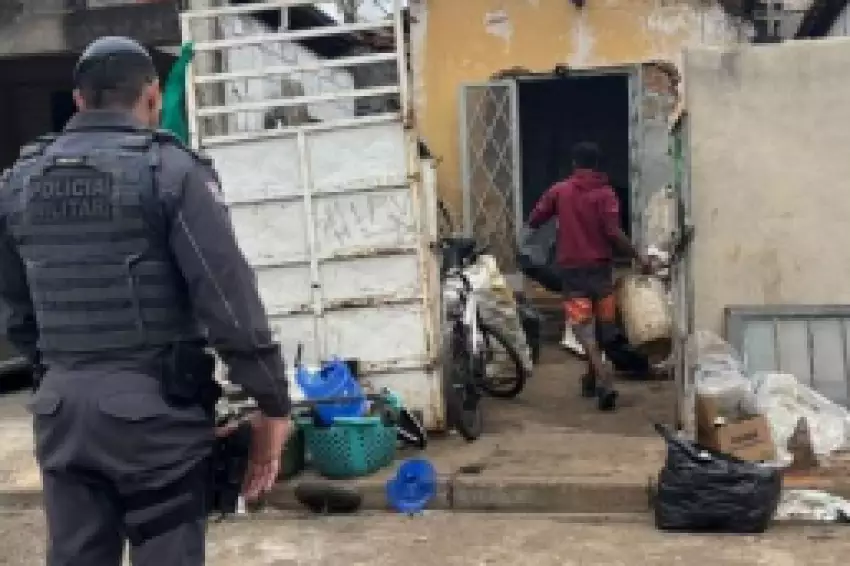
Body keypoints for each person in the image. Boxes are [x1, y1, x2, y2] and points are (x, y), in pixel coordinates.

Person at [0, 36, 292, 565]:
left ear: (79, 99)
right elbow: (227, 300)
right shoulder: (170, 171)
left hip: (61, 413)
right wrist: (271, 402)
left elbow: (16, 306)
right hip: (155, 422)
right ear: (153, 95)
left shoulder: (19, 181)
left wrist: (57, 373)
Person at [527, 141, 649, 412]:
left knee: (583, 328)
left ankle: (603, 378)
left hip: (573, 273)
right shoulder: (606, 194)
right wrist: (639, 257)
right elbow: (613, 232)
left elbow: (535, 218)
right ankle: (591, 378)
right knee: (604, 327)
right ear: (597, 165)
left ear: (574, 164)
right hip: (601, 272)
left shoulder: (560, 191)